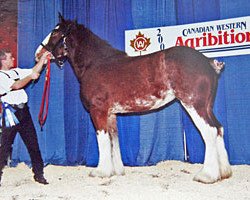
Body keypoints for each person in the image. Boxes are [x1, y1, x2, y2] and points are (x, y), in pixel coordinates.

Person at [0, 48, 51, 185]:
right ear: (3, 60)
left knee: (33, 144)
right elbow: (16, 85)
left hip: (24, 113)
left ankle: (39, 174)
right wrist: (30, 77)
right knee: (4, 147)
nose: (13, 59)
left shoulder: (15, 72)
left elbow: (34, 71)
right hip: (11, 114)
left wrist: (43, 59)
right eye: (10, 57)